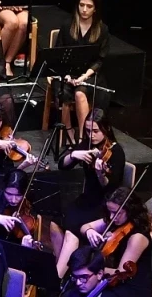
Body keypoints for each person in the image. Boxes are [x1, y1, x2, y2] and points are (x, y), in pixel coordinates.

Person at [63, 188, 152, 297]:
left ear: (130, 210)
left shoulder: (138, 237)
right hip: (112, 282)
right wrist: (89, 231)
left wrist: (91, 268)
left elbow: (121, 272)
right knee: (73, 292)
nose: (112, 217)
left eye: (116, 213)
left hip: (133, 290)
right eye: (109, 212)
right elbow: (84, 227)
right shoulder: (115, 221)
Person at [51, 109, 126, 259]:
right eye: (87, 131)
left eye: (95, 131)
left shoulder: (116, 152)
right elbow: (62, 166)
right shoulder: (87, 144)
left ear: (106, 128)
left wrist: (100, 173)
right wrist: (73, 155)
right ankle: (63, 266)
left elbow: (110, 188)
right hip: (86, 200)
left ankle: (62, 270)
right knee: (55, 224)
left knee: (71, 234)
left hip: (103, 205)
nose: (91, 135)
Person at [50, 0, 111, 129]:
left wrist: (83, 77)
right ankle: (68, 132)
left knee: (80, 93)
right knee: (63, 93)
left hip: (89, 73)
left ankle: (84, 135)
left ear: (95, 9)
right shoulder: (67, 25)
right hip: (67, 72)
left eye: (89, 6)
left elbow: (99, 60)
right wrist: (66, 74)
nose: (84, 10)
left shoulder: (102, 29)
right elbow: (58, 54)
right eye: (81, 5)